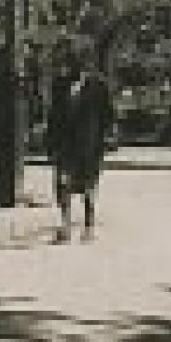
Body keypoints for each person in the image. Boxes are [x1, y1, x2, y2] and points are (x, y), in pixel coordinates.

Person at [47, 45, 116, 243]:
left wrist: (107, 138)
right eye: (70, 64)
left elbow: (108, 115)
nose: (73, 68)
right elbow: (54, 116)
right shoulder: (59, 85)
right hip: (65, 145)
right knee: (62, 184)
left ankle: (88, 227)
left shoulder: (98, 86)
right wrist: (51, 142)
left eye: (77, 64)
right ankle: (65, 226)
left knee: (88, 188)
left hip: (90, 145)